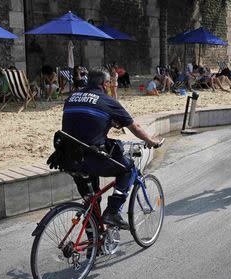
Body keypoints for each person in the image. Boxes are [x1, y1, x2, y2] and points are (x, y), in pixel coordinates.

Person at [58, 69, 161, 229]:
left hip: (68, 157)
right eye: (110, 83)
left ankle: (94, 243)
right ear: (105, 84)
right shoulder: (108, 101)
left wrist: (107, 122)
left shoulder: (71, 98)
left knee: (90, 202)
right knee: (128, 169)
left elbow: (82, 122)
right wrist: (151, 141)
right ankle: (112, 212)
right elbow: (135, 127)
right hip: (92, 156)